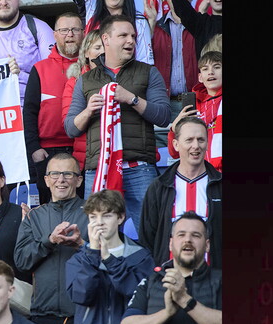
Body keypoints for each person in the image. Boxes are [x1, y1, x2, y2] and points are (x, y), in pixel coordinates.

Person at [64, 14, 172, 231]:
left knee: (152, 234)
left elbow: (163, 115)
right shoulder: (85, 80)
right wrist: (88, 111)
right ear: (106, 39)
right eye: (123, 35)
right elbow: (70, 128)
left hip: (139, 168)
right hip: (99, 170)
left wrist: (131, 98)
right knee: (97, 238)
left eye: (133, 35)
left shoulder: (149, 72)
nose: (130, 40)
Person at [65, 189, 155, 324]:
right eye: (93, 217)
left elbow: (135, 293)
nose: (99, 223)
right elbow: (82, 295)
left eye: (106, 215)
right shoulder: (79, 261)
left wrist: (110, 260)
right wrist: (93, 255)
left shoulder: (142, 257)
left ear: (121, 217)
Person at [121, 212, 222, 324]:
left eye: (195, 235)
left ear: (207, 245)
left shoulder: (221, 281)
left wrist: (185, 301)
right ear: (170, 243)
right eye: (181, 235)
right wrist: (167, 312)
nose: (188, 240)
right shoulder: (151, 282)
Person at [14, 152, 88, 324]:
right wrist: (49, 241)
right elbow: (22, 261)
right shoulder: (34, 217)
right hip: (44, 318)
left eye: (68, 174)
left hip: (85, 317)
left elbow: (109, 260)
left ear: (79, 180)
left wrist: (81, 246)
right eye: (55, 174)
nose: (61, 179)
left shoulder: (93, 214)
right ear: (46, 180)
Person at [138, 117, 222, 267]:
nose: (196, 146)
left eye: (201, 140)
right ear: (176, 145)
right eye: (189, 140)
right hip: (170, 280)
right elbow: (148, 238)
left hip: (213, 282)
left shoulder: (220, 185)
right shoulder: (158, 187)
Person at [23, 13, 83, 205]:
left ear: (83, 34)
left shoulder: (92, 68)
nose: (70, 34)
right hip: (46, 152)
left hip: (82, 149)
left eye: (75, 29)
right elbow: (29, 112)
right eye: (64, 30)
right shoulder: (40, 68)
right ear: (55, 35)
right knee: (47, 210)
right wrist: (34, 148)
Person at [146, 0, 200, 145]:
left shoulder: (202, 25)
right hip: (163, 104)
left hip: (195, 103)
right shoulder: (155, 27)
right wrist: (151, 25)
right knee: (164, 157)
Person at [165, 51, 222, 172]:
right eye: (205, 69)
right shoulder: (193, 105)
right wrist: (175, 128)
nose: (211, 72)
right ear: (200, 77)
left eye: (217, 67)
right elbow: (174, 153)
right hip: (200, 174)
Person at [61, 30, 104, 176]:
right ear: (86, 53)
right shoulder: (75, 82)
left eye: (106, 47)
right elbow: (70, 126)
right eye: (97, 48)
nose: (102, 52)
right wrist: (88, 110)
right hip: (88, 159)